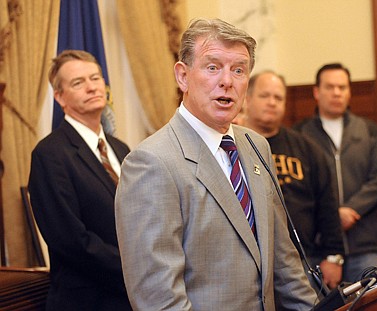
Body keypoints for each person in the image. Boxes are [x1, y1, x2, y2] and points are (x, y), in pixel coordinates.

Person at [114, 19, 317, 310]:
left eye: (238, 70)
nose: (227, 81)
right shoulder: (151, 163)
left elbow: (285, 264)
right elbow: (159, 298)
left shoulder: (256, 146)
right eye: (212, 67)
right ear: (182, 76)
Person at [28, 50, 132, 310]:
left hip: (134, 296)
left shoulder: (121, 150)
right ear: (60, 97)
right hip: (87, 300)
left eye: (95, 78)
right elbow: (72, 241)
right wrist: (135, 270)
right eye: (78, 82)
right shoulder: (49, 154)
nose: (91, 87)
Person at [243, 70, 345, 291]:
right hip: (248, 263)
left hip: (303, 260)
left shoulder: (307, 149)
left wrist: (334, 256)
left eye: (278, 98)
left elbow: (328, 205)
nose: (272, 102)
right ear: (247, 99)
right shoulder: (232, 147)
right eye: (264, 96)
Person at [294, 63, 377, 283]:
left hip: (363, 242)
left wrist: (351, 209)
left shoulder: (368, 130)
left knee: (371, 302)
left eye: (342, 87)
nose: (337, 93)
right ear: (317, 92)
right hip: (319, 246)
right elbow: (300, 189)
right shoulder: (300, 134)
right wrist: (333, 214)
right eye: (330, 87)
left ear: (349, 92)